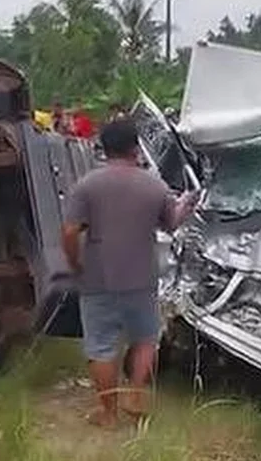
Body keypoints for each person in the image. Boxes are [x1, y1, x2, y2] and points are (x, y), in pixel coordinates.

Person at [61, 118, 199, 428]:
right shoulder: (155, 184)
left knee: (100, 346)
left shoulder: (87, 185)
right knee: (145, 339)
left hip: (98, 278)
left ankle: (109, 414)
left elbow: (69, 231)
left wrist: (75, 264)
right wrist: (187, 204)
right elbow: (172, 221)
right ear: (136, 148)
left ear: (103, 149)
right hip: (142, 278)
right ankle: (136, 393)